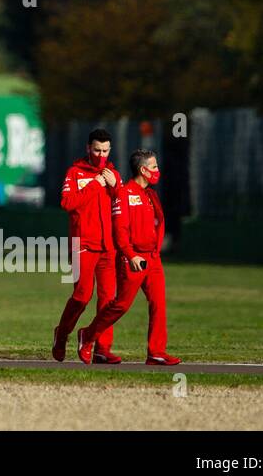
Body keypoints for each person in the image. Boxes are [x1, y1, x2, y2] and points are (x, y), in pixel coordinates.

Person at [79, 150, 180, 365]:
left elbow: (157, 225)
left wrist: (156, 251)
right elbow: (120, 230)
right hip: (133, 258)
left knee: (158, 304)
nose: (157, 171)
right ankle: (87, 336)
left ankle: (156, 352)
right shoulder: (124, 194)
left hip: (152, 259)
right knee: (121, 305)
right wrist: (130, 255)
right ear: (143, 169)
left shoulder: (151, 195)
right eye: (154, 167)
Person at [51, 128, 120, 363]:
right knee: (81, 296)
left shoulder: (113, 173)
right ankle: (62, 334)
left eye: (105, 150)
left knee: (108, 300)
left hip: (108, 246)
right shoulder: (75, 172)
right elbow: (67, 203)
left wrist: (115, 187)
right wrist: (95, 183)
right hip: (83, 244)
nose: (101, 155)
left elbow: (122, 207)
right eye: (97, 150)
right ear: (88, 148)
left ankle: (100, 346)